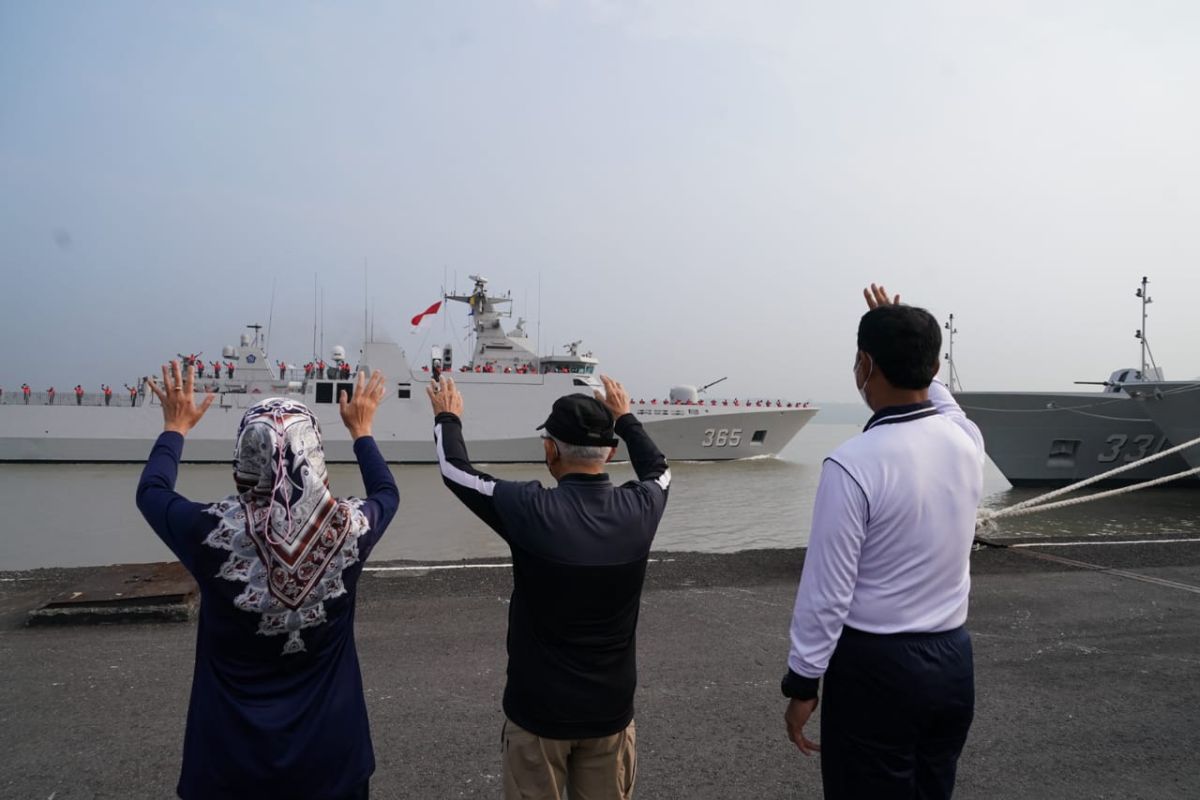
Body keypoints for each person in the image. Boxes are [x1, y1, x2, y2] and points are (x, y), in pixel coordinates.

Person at [136, 361, 399, 800]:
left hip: (230, 763)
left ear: (244, 456)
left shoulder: (209, 533)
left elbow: (152, 492)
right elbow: (386, 493)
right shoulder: (350, 530)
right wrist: (362, 430)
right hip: (333, 759)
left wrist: (174, 427)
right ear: (312, 453)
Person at [781, 284, 985, 800]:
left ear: (863, 365)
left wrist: (803, 683)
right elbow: (941, 399)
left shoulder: (852, 463)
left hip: (877, 668)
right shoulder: (966, 441)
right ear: (936, 367)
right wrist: (903, 338)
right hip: (952, 661)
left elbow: (827, 591)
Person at [427, 375, 670, 800]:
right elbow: (660, 470)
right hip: (610, 711)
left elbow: (455, 471)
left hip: (537, 711)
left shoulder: (530, 509)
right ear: (611, 453)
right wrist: (626, 416)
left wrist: (447, 416)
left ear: (550, 448)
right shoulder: (641, 508)